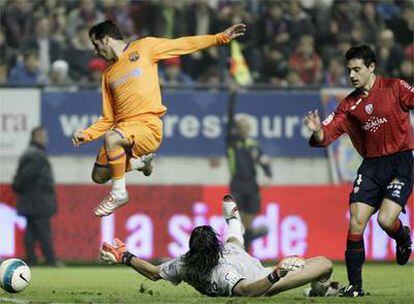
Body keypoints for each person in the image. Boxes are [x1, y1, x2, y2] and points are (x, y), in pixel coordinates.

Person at [72, 20, 246, 217]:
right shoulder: (108, 75)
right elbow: (107, 118)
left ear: (106, 40)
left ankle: (119, 193)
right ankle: (140, 163)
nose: (96, 52)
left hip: (147, 127)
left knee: (112, 139)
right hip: (122, 129)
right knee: (99, 175)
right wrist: (86, 134)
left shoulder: (145, 47)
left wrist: (219, 38)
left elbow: (181, 44)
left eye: (96, 45)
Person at [303, 44, 413, 297]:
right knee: (356, 221)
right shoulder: (349, 105)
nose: (352, 75)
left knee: (386, 220)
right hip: (372, 166)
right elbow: (326, 134)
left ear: (371, 67)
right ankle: (356, 286)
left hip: (401, 162)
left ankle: (403, 237)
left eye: (357, 69)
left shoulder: (395, 87)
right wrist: (317, 129)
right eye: (349, 70)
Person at [100, 194, 342, 297]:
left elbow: (153, 273)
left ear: (191, 248)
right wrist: (277, 273)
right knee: (324, 264)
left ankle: (233, 220)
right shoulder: (223, 275)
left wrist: (125, 257)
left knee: (234, 242)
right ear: (215, 248)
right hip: (262, 280)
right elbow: (248, 292)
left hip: (233, 259)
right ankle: (320, 289)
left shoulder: (184, 263)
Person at [226, 89, 273, 250]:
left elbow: (263, 161)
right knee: (239, 221)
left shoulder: (254, 145)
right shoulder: (232, 142)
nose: (244, 129)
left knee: (248, 221)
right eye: (241, 126)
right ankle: (246, 244)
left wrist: (268, 175)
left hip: (252, 185)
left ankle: (245, 246)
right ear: (237, 128)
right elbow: (230, 119)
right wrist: (233, 97)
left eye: (246, 126)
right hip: (238, 184)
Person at [12, 127, 59, 266]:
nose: (46, 139)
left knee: (31, 232)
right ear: (36, 137)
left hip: (31, 201)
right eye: (44, 136)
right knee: (44, 232)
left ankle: (31, 259)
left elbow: (21, 179)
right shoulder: (36, 155)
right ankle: (50, 260)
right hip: (37, 202)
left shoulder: (32, 153)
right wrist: (18, 186)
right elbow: (25, 177)